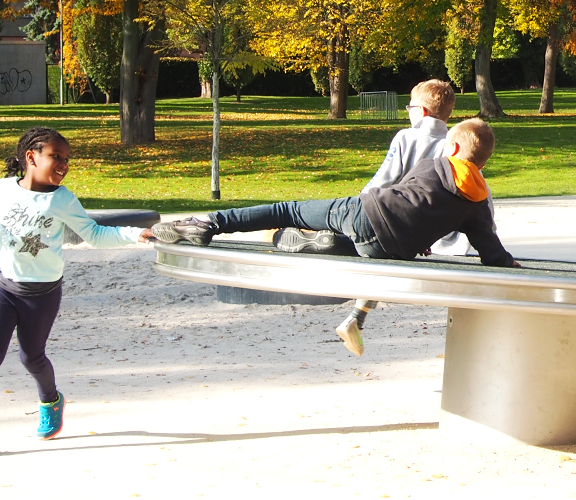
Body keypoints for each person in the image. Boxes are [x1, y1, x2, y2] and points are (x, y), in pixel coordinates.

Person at [152, 119, 518, 354]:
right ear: (483, 161)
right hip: (390, 250)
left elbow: (404, 194)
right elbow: (492, 253)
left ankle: (209, 224)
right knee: (373, 254)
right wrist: (508, 262)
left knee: (288, 210)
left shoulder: (435, 162)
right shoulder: (479, 201)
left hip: (365, 214)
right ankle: (323, 244)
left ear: (453, 149)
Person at [0, 127, 153, 461]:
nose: (63, 164)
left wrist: (136, 234)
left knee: (31, 357)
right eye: (56, 157)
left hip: (43, 293)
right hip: (3, 286)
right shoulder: (3, 190)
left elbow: (94, 233)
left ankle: (51, 400)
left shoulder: (62, 199)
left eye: (67, 159)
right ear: (31, 157)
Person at [269, 80, 471, 354]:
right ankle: (356, 317)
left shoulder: (407, 137)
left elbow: (382, 181)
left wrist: (357, 205)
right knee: (386, 257)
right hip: (433, 236)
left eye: (409, 106)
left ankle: (331, 242)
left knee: (372, 240)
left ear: (420, 112)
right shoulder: (454, 144)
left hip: (390, 220)